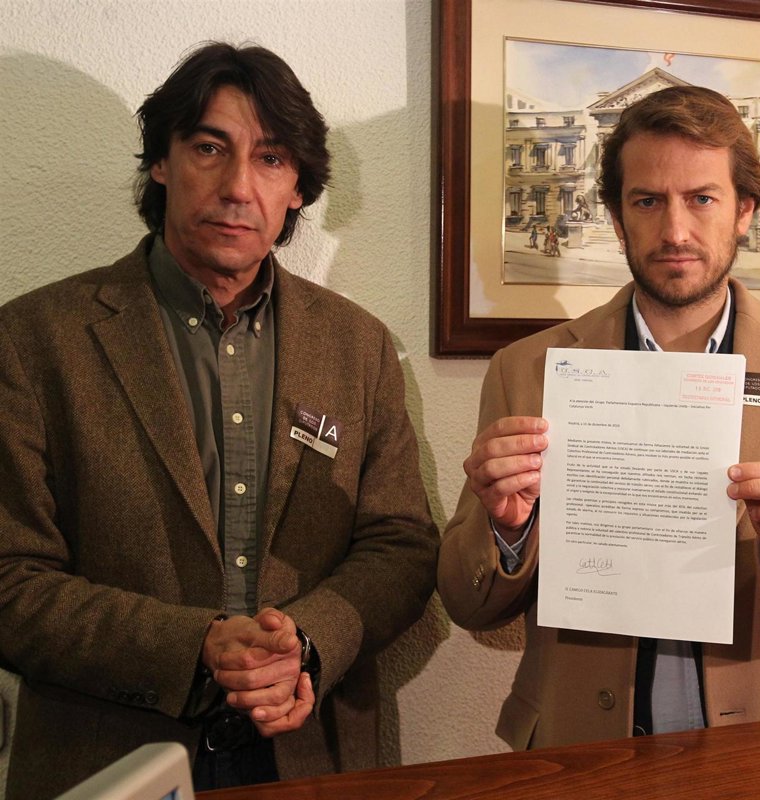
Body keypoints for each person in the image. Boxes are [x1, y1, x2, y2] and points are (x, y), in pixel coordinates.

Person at [0, 43, 439, 798]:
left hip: (310, 748)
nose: (238, 187)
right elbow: (10, 577)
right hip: (109, 755)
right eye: (210, 148)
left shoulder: (359, 345)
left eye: (270, 159)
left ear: (298, 188)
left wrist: (305, 643)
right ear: (161, 162)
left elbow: (401, 543)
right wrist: (194, 647)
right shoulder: (32, 340)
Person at [438, 85, 760, 750]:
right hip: (581, 754)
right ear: (618, 217)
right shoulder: (526, 370)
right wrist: (506, 531)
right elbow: (465, 601)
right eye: (648, 201)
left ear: (744, 210)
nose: (675, 231)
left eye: (702, 199)